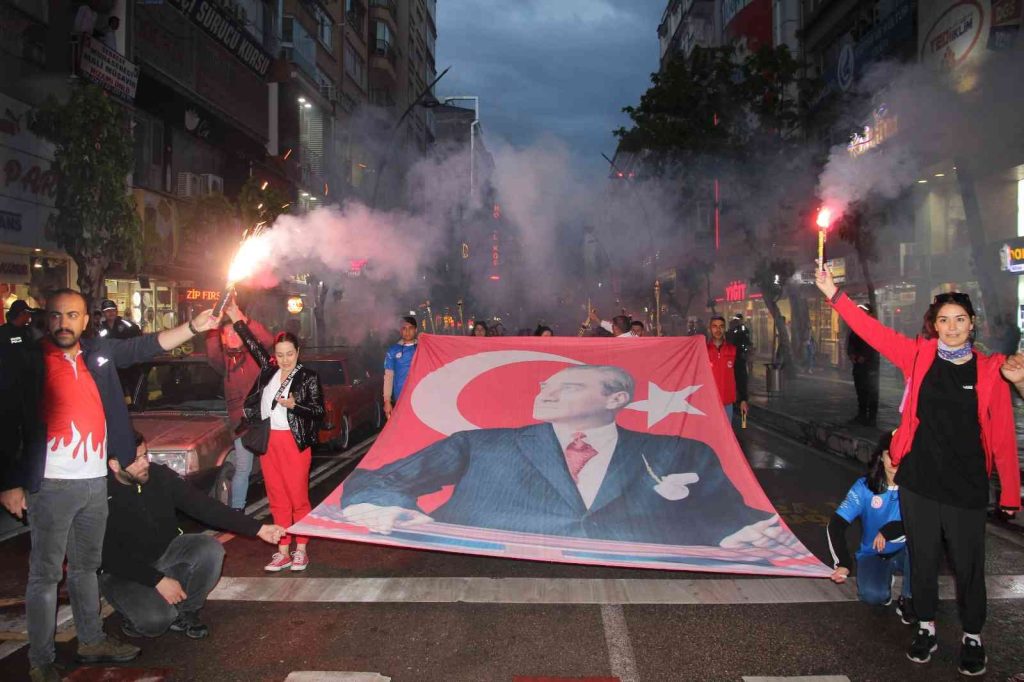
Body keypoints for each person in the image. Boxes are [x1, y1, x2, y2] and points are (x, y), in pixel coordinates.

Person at [0, 288, 221, 682]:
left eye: (73, 315)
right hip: (50, 484)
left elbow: (146, 345)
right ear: (47, 319)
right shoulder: (29, 360)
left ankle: (91, 640)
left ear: (85, 321)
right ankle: (41, 659)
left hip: (94, 480)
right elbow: (6, 418)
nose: (64, 323)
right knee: (45, 575)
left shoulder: (98, 354)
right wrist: (10, 482)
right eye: (57, 315)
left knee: (85, 568)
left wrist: (193, 327)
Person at [816, 268, 1020, 676]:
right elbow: (872, 332)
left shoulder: (990, 370)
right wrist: (833, 294)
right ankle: (925, 627)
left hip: (966, 486)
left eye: (959, 319)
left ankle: (973, 636)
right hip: (919, 482)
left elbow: (1002, 437)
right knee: (922, 560)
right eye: (944, 320)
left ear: (972, 324)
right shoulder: (919, 355)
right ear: (935, 325)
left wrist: (1011, 494)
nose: (952, 327)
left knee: (968, 566)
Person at [341, 364, 787, 549]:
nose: (547, 394)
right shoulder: (479, 444)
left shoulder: (679, 451)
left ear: (616, 399)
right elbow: (375, 481)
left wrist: (738, 533)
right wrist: (387, 510)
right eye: (545, 387)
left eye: (567, 387)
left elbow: (729, 515)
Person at [100, 431, 286, 640]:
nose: (145, 463)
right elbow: (106, 556)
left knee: (210, 549)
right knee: (156, 621)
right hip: (123, 573)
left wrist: (258, 529)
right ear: (114, 465)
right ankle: (136, 615)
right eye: (136, 460)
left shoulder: (159, 476)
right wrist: (157, 580)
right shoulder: (99, 495)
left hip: (164, 554)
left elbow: (203, 506)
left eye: (145, 455)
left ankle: (187, 610)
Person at [234, 315, 325, 572]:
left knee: (298, 497)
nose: (285, 359)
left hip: (294, 443)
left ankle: (301, 549)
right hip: (269, 441)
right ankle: (283, 550)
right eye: (280, 354)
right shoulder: (269, 370)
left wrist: (296, 405)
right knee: (276, 497)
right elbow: (253, 345)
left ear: (298, 352)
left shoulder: (308, 377)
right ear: (274, 355)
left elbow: (319, 411)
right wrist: (236, 319)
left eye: (290, 354)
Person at [827, 431, 913, 621]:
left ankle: (909, 598)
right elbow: (836, 524)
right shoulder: (864, 487)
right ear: (881, 456)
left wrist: (890, 530)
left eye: (901, 455)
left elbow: (926, 522)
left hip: (908, 550)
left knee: (923, 546)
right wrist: (843, 563)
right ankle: (884, 581)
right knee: (872, 596)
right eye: (890, 454)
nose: (895, 461)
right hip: (874, 552)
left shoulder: (917, 487)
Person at [205, 296, 273, 511]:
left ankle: (278, 504)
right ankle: (237, 509)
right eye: (228, 334)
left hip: (264, 420)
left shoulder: (255, 353)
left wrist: (240, 318)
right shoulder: (224, 362)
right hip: (241, 425)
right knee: (243, 468)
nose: (232, 336)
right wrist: (214, 326)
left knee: (271, 465)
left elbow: (268, 340)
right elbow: (212, 352)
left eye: (236, 332)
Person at [706, 316, 748, 423]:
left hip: (727, 405)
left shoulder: (733, 351)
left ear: (725, 328)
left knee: (726, 433)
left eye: (721, 326)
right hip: (708, 404)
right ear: (710, 329)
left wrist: (743, 399)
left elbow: (741, 376)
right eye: (714, 326)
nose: (718, 329)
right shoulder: (703, 351)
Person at [847, 304, 880, 426]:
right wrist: (851, 354)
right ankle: (861, 415)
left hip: (870, 366)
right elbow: (850, 343)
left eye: (863, 311)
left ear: (870, 314)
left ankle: (871, 418)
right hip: (858, 365)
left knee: (871, 391)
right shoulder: (856, 327)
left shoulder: (873, 327)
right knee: (860, 390)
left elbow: (874, 344)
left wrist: (864, 356)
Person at [383, 316, 419, 420]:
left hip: (421, 398)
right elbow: (388, 376)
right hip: (400, 400)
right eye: (404, 328)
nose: (407, 331)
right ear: (400, 331)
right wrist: (387, 401)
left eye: (410, 328)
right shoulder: (392, 351)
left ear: (416, 330)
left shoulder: (422, 348)